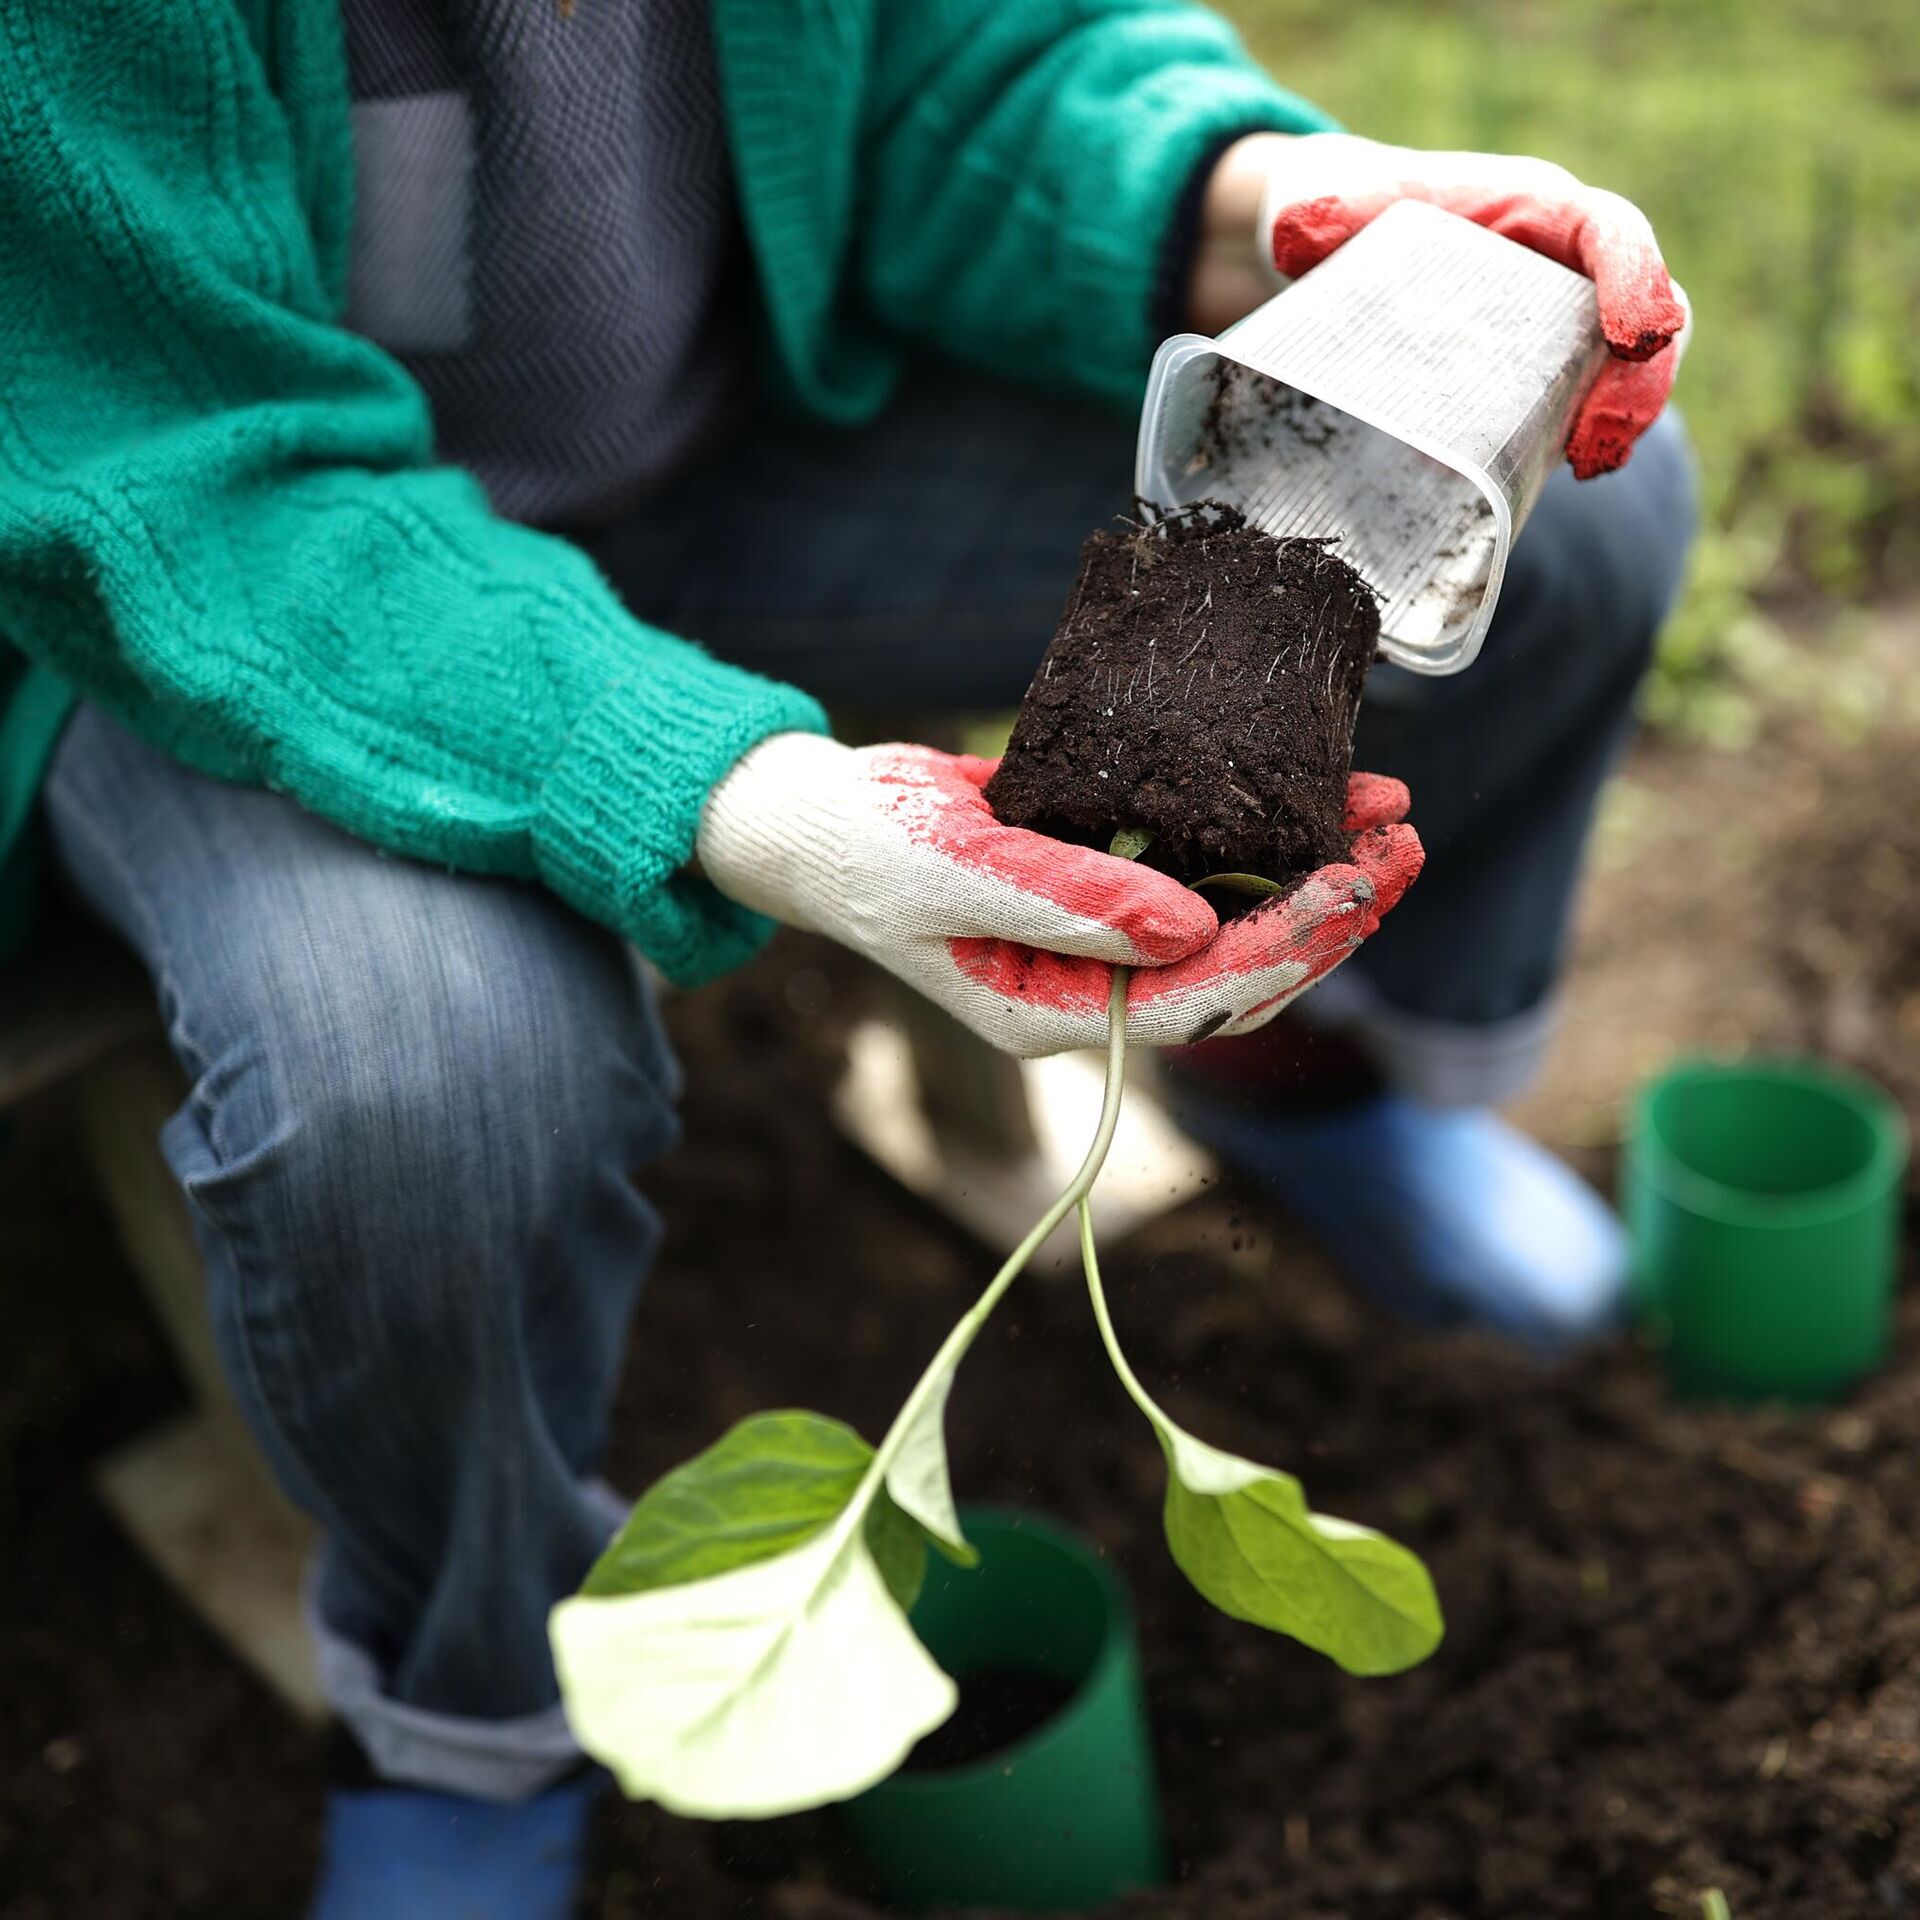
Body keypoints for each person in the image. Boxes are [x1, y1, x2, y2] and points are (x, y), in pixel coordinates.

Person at [0, 1, 1692, 1911]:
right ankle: (469, 1702)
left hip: (727, 451)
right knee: (424, 1089)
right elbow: (179, 473)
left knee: (1559, 551)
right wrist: (744, 793)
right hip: (232, 588)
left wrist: (1267, 207)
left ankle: (1302, 1077)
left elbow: (959, 67)